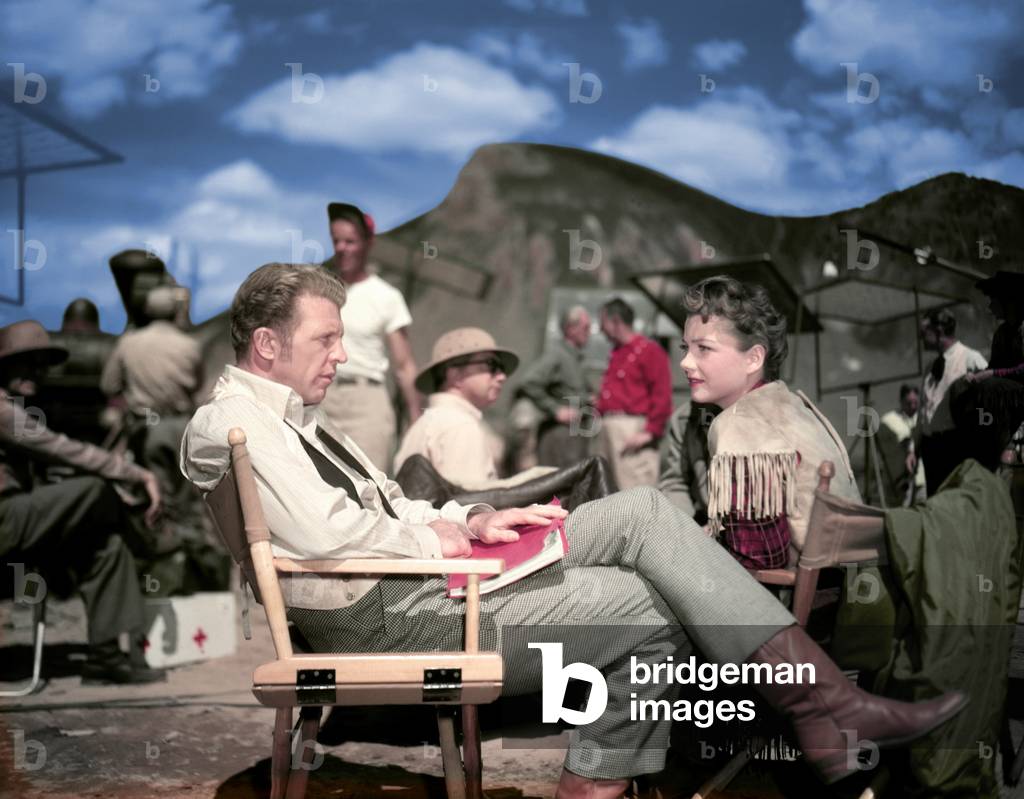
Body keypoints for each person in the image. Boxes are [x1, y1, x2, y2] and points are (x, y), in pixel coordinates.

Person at [182, 263, 965, 796]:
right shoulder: (231, 423)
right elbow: (329, 535)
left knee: (645, 513)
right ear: (267, 344)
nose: (343, 354)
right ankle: (814, 705)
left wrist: (471, 517)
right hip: (389, 612)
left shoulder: (300, 423)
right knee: (657, 603)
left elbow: (388, 506)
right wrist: (436, 541)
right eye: (326, 338)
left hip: (410, 585)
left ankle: (812, 705)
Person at [0, 320, 164, 684]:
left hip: (19, 525)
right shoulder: (3, 411)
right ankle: (145, 537)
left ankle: (105, 656)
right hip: (5, 522)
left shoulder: (16, 406)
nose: (37, 372)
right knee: (95, 489)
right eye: (26, 362)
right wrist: (137, 476)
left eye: (42, 364)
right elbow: (61, 449)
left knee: (106, 545)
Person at [680, 276, 861, 569]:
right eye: (685, 348)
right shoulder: (795, 405)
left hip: (786, 590)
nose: (685, 362)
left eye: (703, 349)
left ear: (753, 359)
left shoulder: (739, 423)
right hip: (843, 580)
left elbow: (759, 558)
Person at [318, 202, 421, 471]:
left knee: (369, 482)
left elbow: (404, 365)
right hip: (320, 398)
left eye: (350, 241)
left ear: (368, 243)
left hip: (366, 404)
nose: (342, 248)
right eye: (336, 241)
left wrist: (415, 418)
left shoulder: (387, 297)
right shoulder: (319, 292)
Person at [101, 286, 205, 542]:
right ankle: (190, 552)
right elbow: (197, 386)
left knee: (156, 497)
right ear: (175, 311)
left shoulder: (129, 343)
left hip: (146, 427)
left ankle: (163, 551)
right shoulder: (189, 345)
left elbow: (108, 386)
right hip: (182, 428)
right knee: (187, 499)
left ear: (147, 310)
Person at [394, 327, 553, 489]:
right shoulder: (460, 425)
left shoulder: (425, 423)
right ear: (454, 374)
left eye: (501, 368)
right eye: (491, 365)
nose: (502, 376)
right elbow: (471, 501)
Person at [594, 298, 672, 489]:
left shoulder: (649, 351)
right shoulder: (617, 352)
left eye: (603, 323)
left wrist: (650, 431)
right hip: (609, 429)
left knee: (634, 491)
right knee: (606, 491)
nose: (601, 329)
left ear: (616, 321)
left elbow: (662, 394)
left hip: (632, 431)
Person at [913, 307, 987, 496]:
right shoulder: (930, 367)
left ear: (938, 331)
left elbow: (989, 402)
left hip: (956, 447)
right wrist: (915, 448)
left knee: (955, 501)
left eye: (924, 333)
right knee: (935, 502)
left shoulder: (971, 359)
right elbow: (923, 411)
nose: (921, 338)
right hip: (930, 449)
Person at [517, 306, 594, 468]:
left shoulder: (576, 358)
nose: (589, 333)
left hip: (575, 432)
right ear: (571, 329)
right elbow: (529, 381)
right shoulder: (556, 355)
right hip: (559, 434)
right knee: (558, 480)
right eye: (586, 327)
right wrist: (555, 410)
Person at [657, 398, 715, 524]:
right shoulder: (685, 417)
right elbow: (676, 483)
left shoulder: (759, 419)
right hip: (703, 523)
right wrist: (686, 528)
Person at [874, 384, 926, 507]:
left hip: (920, 480)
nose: (912, 406)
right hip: (898, 483)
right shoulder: (889, 420)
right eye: (909, 403)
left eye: (915, 403)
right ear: (901, 401)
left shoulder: (923, 419)